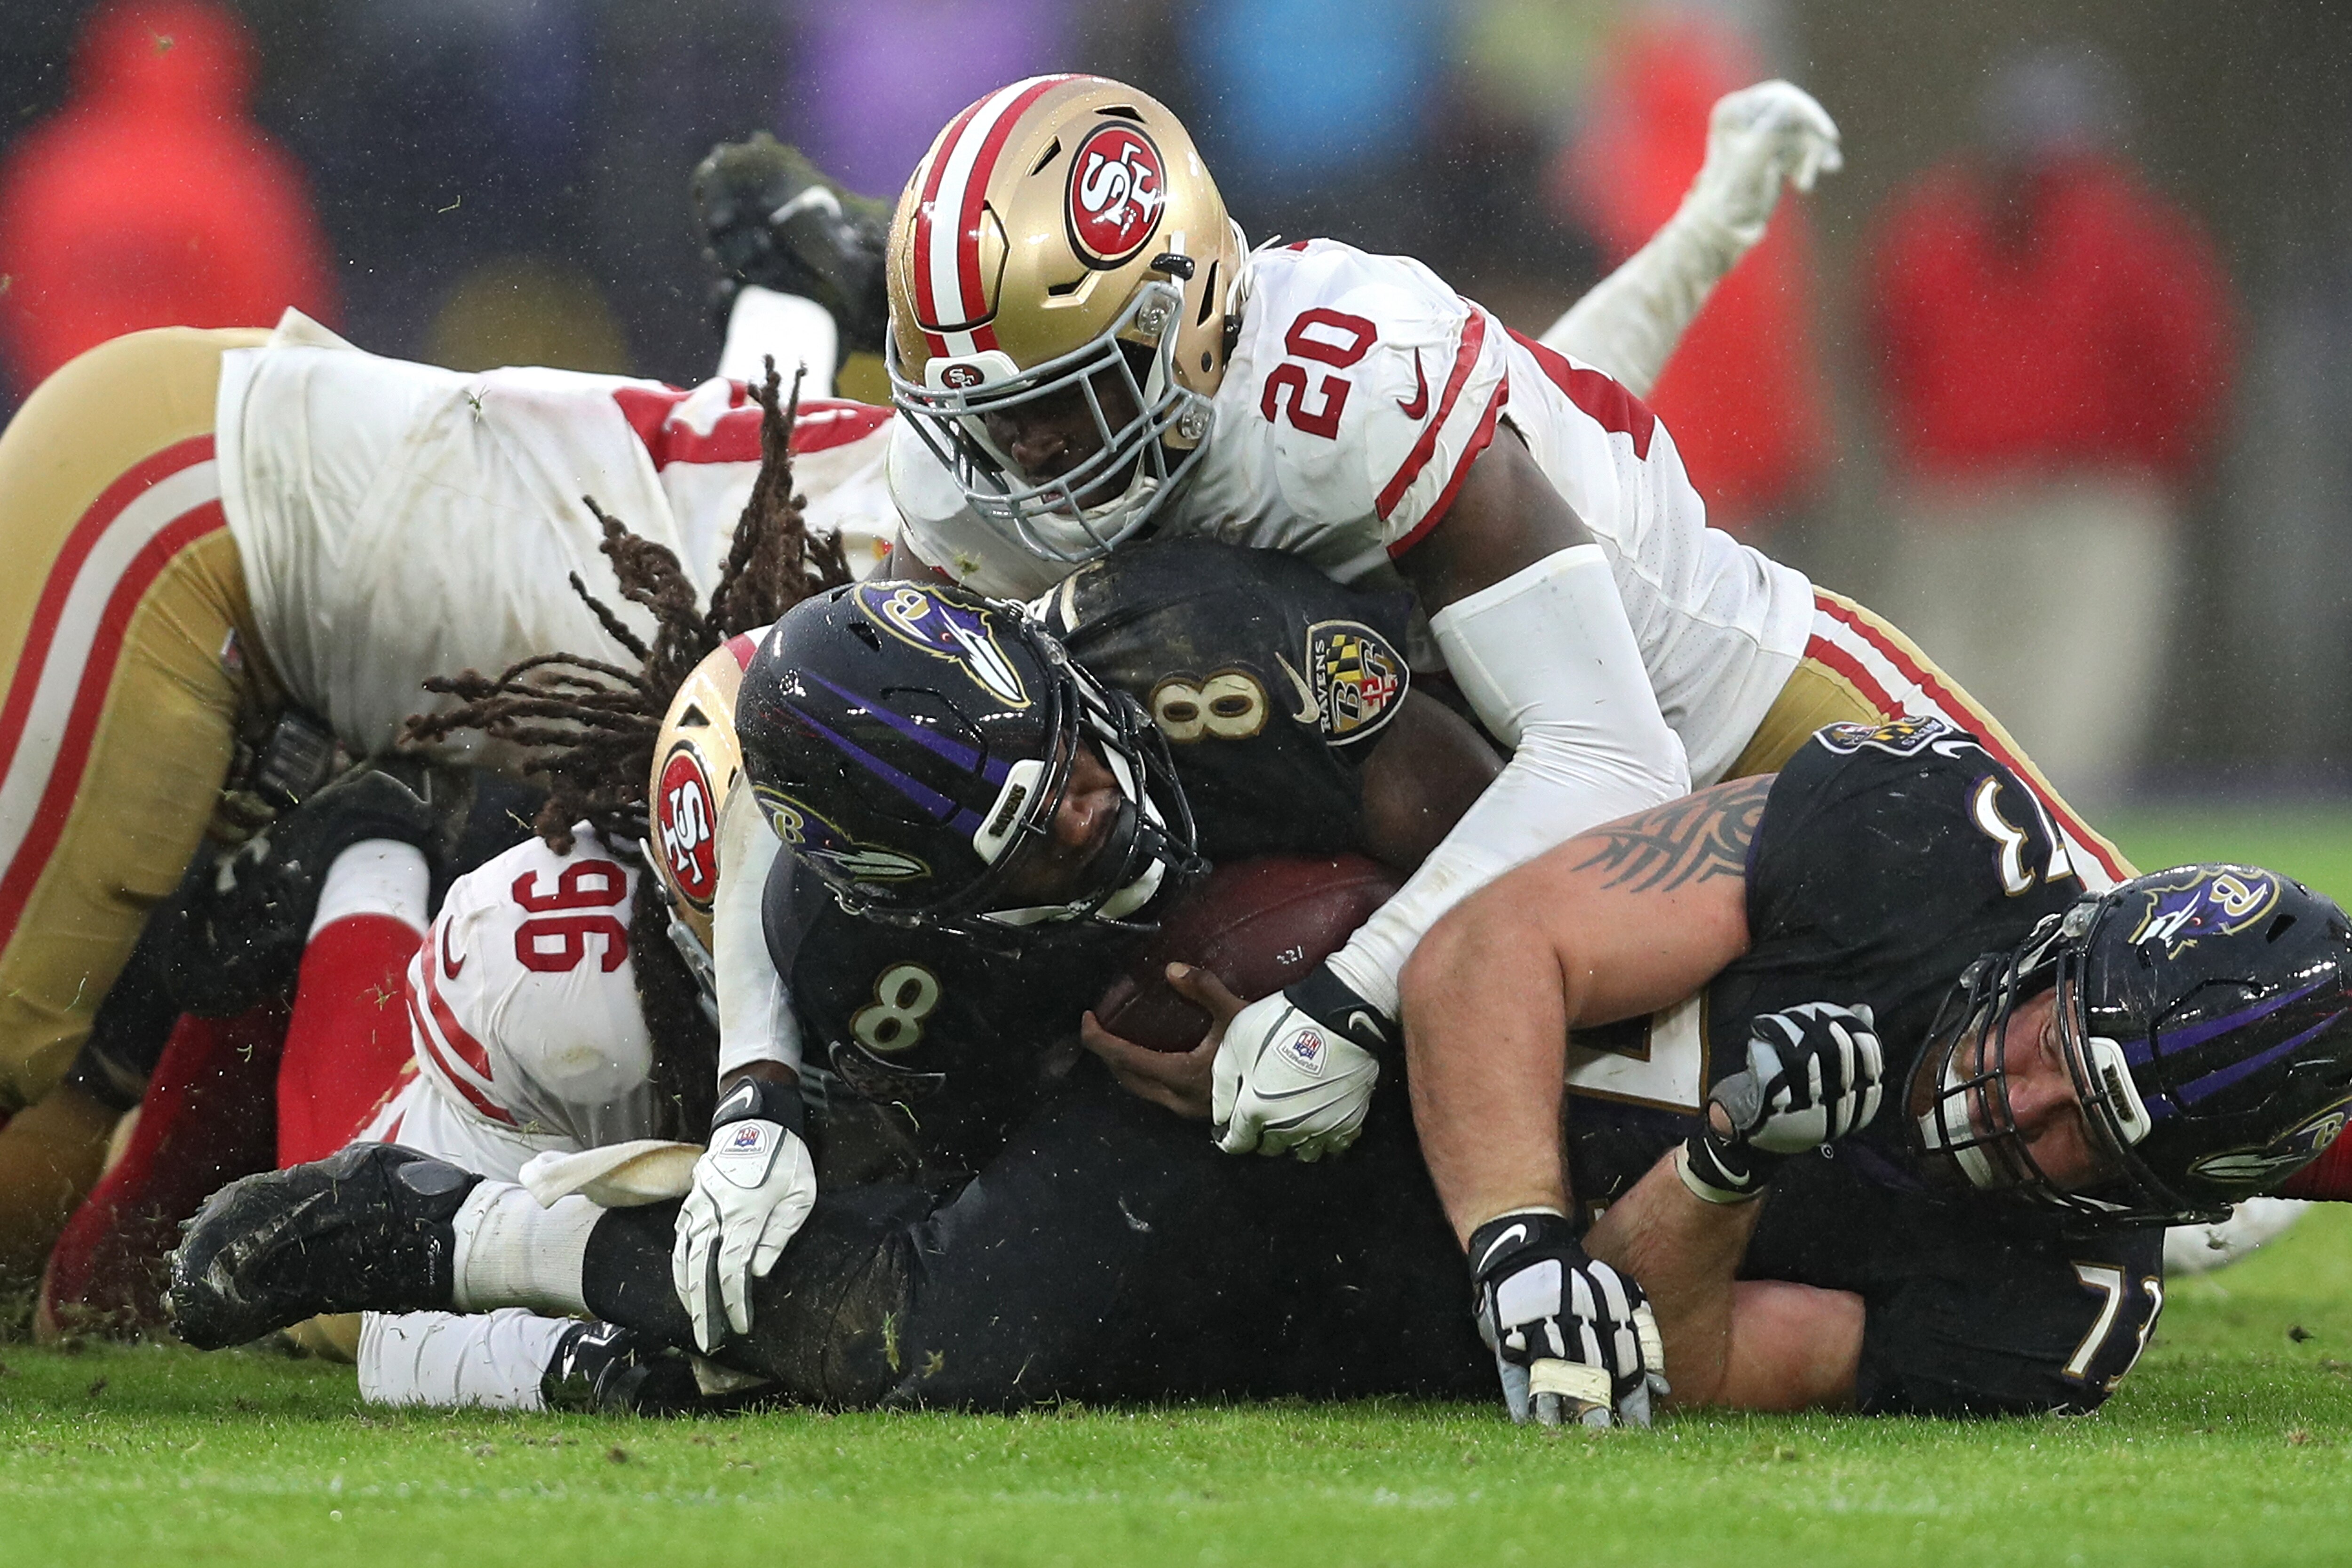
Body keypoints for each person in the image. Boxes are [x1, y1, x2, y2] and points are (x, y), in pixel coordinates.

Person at [865, 73, 2128, 1176]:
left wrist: (1351, 999)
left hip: (1712, 708)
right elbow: (848, 732)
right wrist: (773, 1083)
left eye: (1068, 398)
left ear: (1184, 317)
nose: (1027, 457)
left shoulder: (1349, 390)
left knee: (2115, 989)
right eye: (988, 418)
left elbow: (1612, 759)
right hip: (1455, 798)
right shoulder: (961, 485)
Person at [168, 536, 1504, 1409]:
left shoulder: (1152, 627)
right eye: (1024, 841)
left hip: (1405, 994)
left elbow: (1540, 801)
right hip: (1140, 1101)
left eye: (1073, 768)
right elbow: (950, 1218)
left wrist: (1357, 989)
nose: (1088, 816)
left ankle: (368, 869)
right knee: (972, 1330)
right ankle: (377, 931)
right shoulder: (741, 967)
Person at [1395, 717, 2352, 1421]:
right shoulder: (1932, 833)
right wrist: (1520, 1236)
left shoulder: (2058, 1310)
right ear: (2061, 948)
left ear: (2148, 1197)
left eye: (2089, 1134)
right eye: (2055, 1045)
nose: (2020, 1103)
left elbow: (1669, 1368)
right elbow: (1491, 945)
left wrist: (1726, 1168)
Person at [1861, 45, 2234, 805]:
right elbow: (2191, 365)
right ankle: (2058, 857)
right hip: (2083, 497)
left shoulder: (1931, 228)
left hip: (1959, 493)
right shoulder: (2132, 233)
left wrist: (1935, 443)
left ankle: (1954, 843)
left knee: (1951, 702)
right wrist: (2152, 463)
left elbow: (1884, 344)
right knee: (2074, 710)